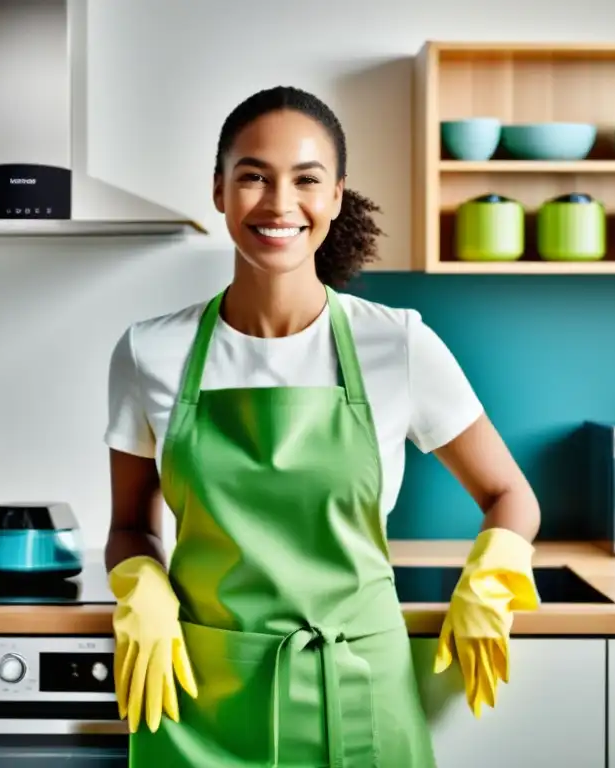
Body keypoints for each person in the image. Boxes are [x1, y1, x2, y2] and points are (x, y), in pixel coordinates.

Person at [103, 85, 542, 767]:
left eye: (305, 180)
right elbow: (130, 523)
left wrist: (487, 580)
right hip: (202, 697)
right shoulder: (148, 352)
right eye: (253, 177)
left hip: (360, 693)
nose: (280, 204)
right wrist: (143, 589)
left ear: (335, 197)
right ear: (219, 191)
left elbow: (510, 495)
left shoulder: (397, 345)